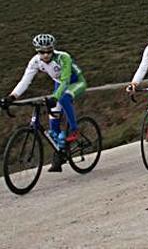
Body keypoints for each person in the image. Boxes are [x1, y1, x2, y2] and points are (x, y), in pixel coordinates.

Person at [0, 34, 87, 172]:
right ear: (37, 51)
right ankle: (59, 153)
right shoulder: (35, 62)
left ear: (53, 49)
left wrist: (55, 97)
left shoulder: (63, 57)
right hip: (59, 85)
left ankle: (75, 129)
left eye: (49, 51)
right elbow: (25, 81)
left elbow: (65, 80)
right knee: (53, 120)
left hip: (75, 82)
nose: (46, 55)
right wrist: (12, 97)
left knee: (63, 98)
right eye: (42, 52)